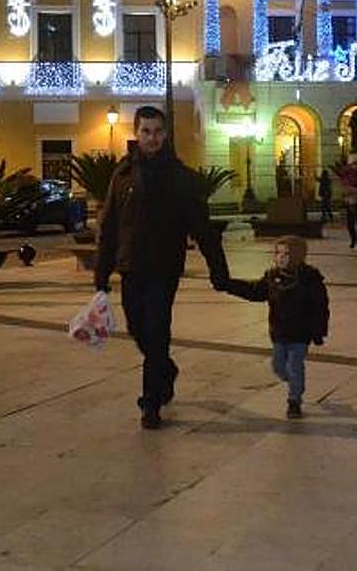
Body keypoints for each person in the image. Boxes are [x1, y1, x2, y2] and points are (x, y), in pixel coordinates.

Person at [95, 105, 230, 430]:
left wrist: (218, 268)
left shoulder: (181, 178)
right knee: (137, 329)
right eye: (146, 131)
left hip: (163, 268)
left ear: (165, 134)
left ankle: (151, 402)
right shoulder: (122, 175)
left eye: (157, 132)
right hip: (130, 266)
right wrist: (101, 271)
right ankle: (166, 370)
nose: (152, 138)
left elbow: (202, 227)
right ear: (137, 133)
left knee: (157, 332)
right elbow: (110, 224)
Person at [225, 236, 329, 418]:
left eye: (286, 253)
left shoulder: (310, 278)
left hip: (300, 333)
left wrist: (318, 332)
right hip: (279, 331)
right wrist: (230, 285)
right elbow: (255, 291)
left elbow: (320, 307)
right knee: (278, 366)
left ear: (298, 256)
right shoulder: (272, 277)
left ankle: (294, 400)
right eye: (278, 253)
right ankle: (295, 382)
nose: (281, 257)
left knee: (295, 366)